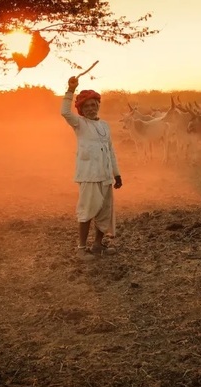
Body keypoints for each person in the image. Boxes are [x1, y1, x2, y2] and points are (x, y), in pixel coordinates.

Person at [61, 76, 122, 261]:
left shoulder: (104, 126)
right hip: (88, 176)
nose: (91, 108)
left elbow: (111, 150)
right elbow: (65, 112)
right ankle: (81, 249)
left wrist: (117, 174)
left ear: (98, 106)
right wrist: (70, 90)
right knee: (87, 211)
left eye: (94, 104)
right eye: (86, 106)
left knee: (104, 212)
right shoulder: (80, 124)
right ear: (81, 109)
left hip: (105, 177)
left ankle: (97, 246)